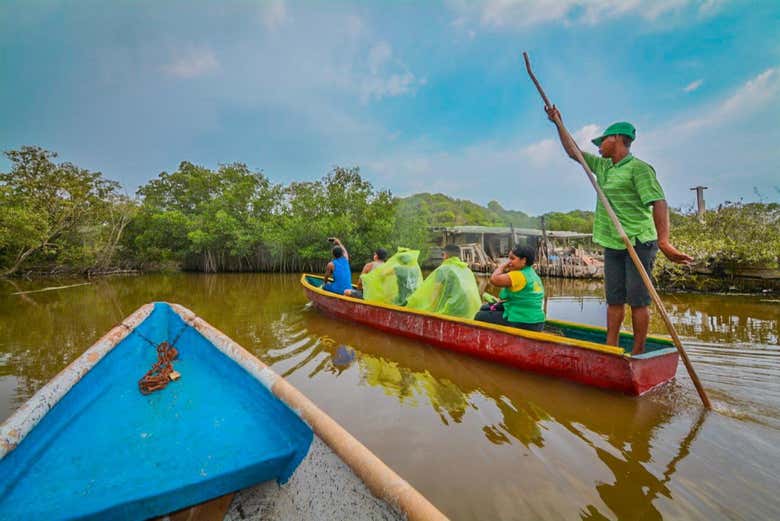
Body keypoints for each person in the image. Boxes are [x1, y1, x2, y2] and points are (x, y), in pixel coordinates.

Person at [545, 106, 693, 354]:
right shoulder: (603, 167)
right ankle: (610, 348)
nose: (599, 146)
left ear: (618, 140)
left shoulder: (639, 168)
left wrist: (664, 243)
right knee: (614, 299)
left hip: (638, 241)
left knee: (638, 301)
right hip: (613, 241)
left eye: (602, 141)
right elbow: (573, 151)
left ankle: (638, 352)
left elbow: (659, 202)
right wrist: (558, 123)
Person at [474, 245, 545, 331]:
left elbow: (494, 279)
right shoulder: (532, 274)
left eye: (512, 258)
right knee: (486, 307)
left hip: (523, 322)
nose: (509, 262)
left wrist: (502, 266)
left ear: (524, 260)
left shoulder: (519, 275)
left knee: (480, 316)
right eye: (509, 258)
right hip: (537, 322)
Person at [406, 244, 481, 319]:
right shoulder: (466, 269)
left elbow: (435, 295)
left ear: (445, 255)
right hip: (469, 311)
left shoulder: (443, 270)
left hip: (452, 310)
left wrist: (427, 312)